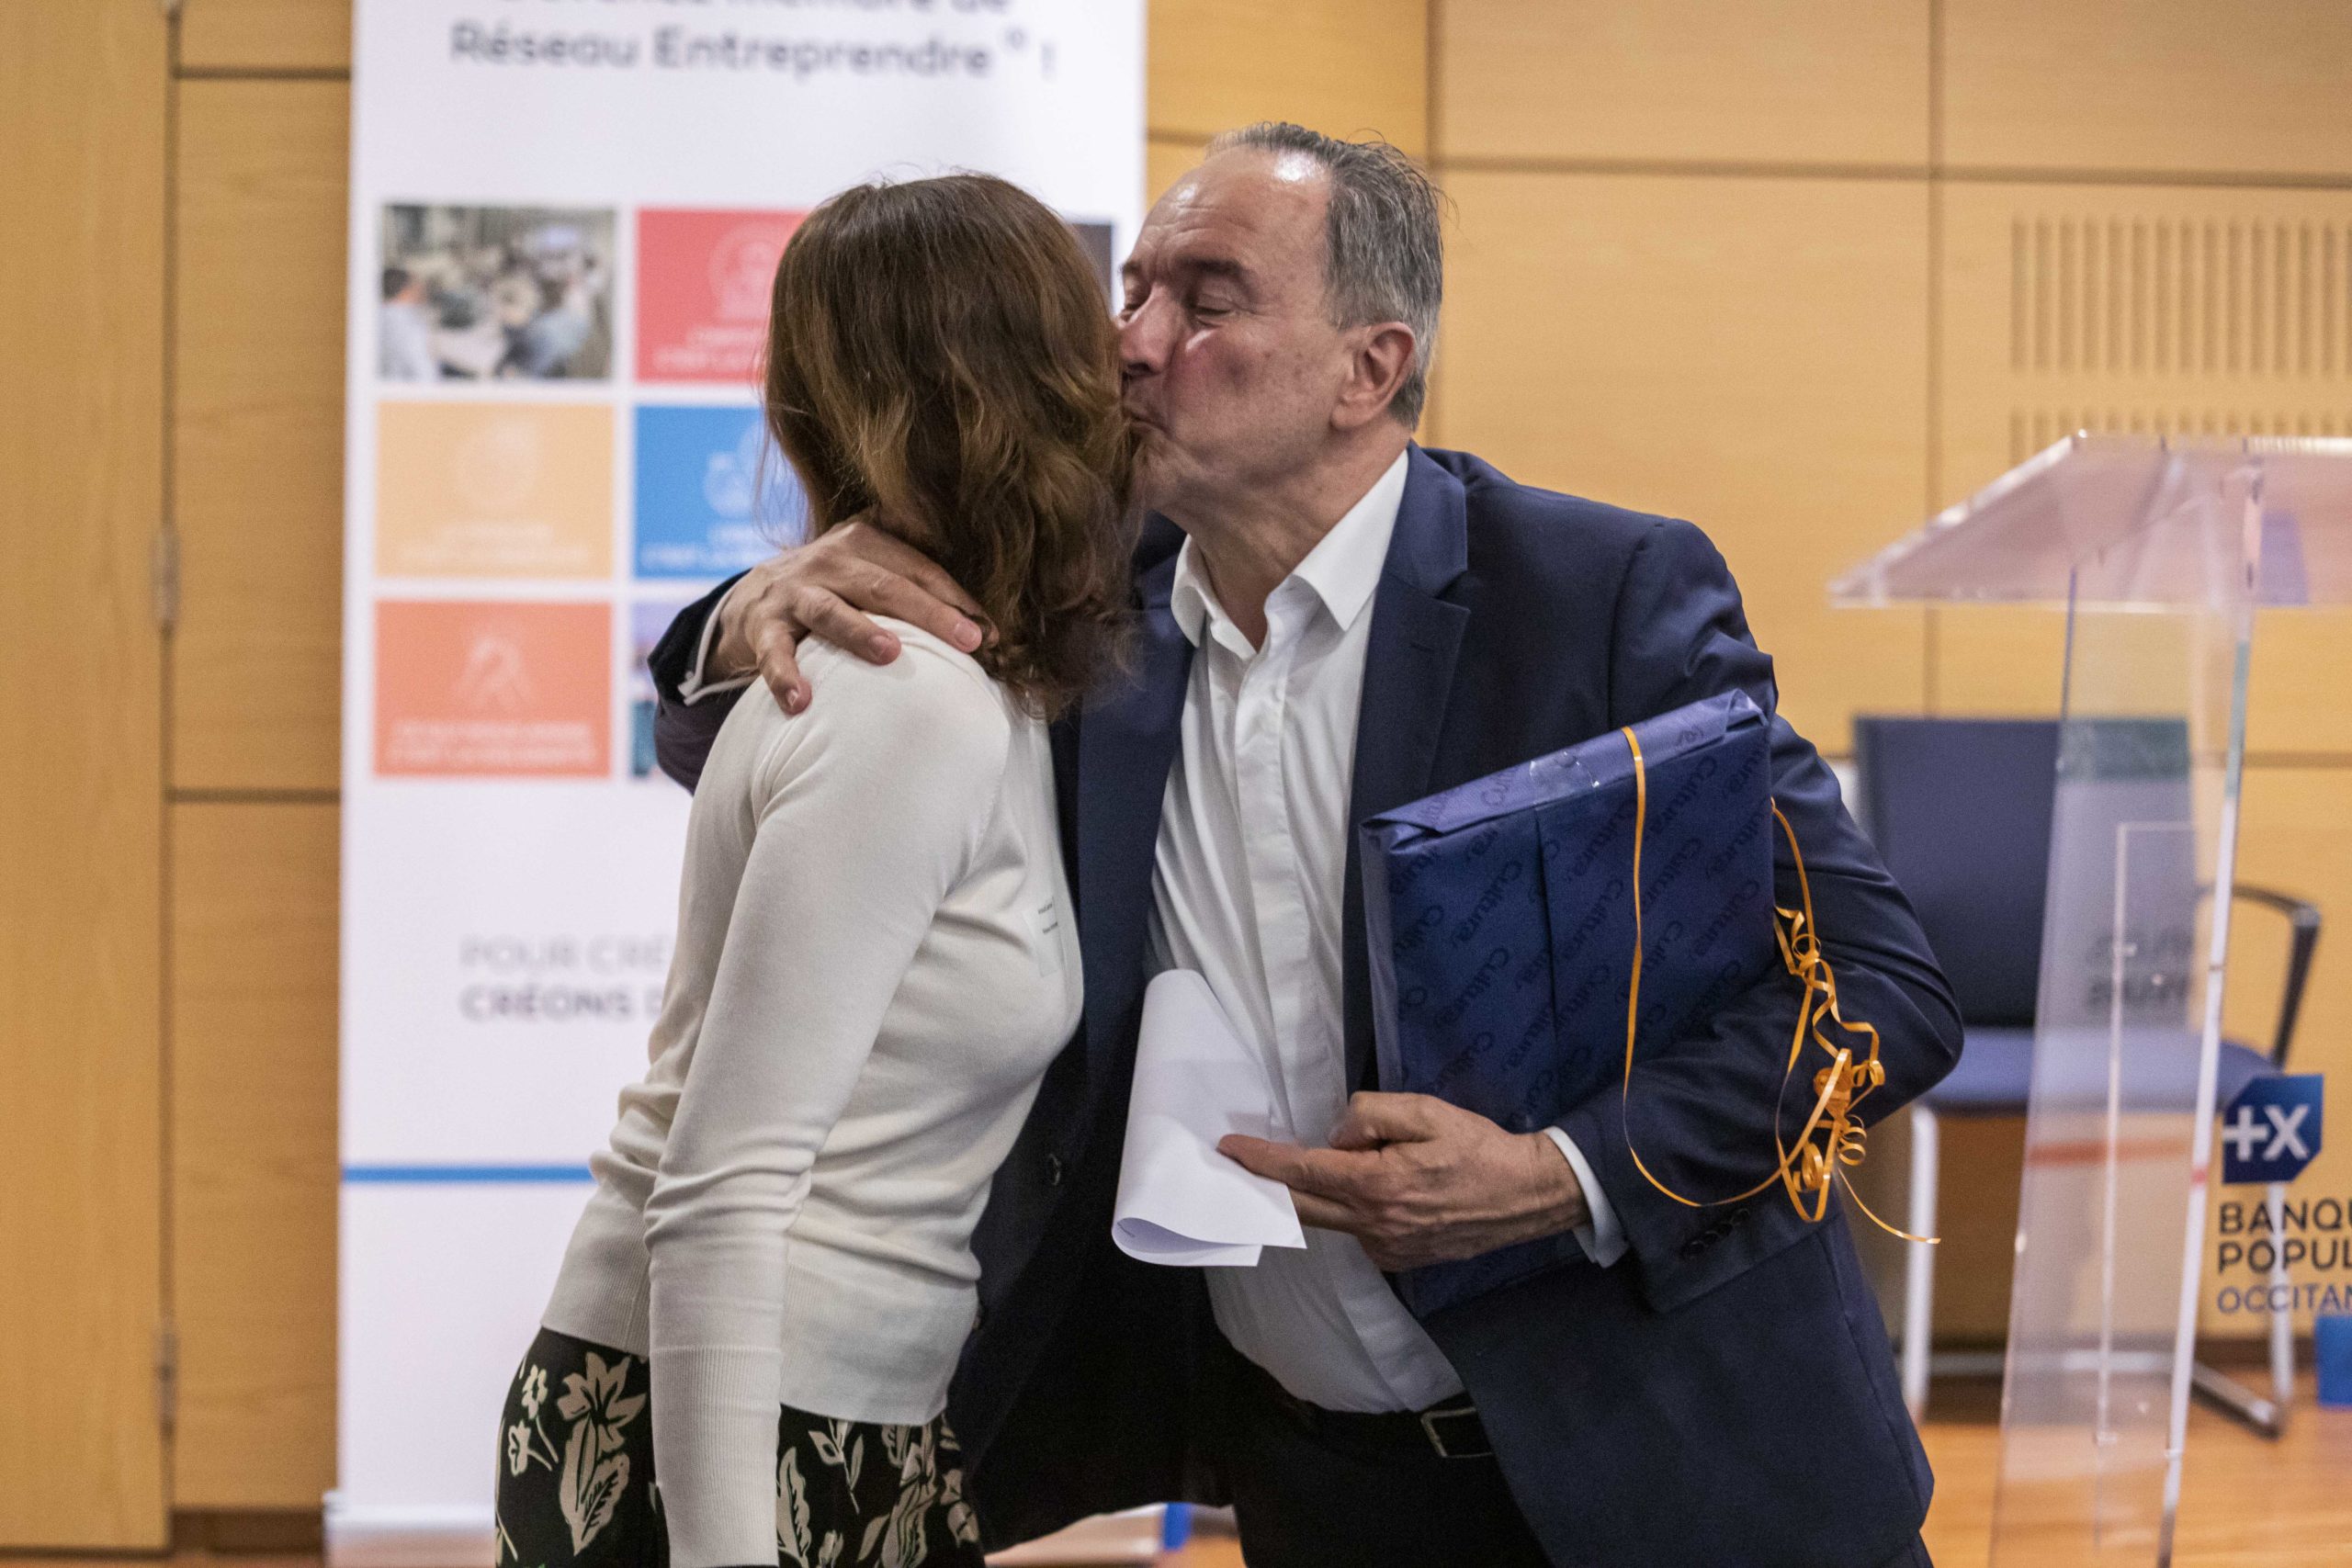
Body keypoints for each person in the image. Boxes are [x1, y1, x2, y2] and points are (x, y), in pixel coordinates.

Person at [650, 125, 1963, 1568]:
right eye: (1132, 294)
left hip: (1677, 1462)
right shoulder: (1080, 606)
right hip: (1317, 1482)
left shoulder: (1594, 595)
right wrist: (748, 613)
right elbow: (740, 743)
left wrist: (1560, 1172)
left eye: (1205, 303)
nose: (1132, 346)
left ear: (1369, 369)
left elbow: (1879, 991)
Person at [495, 174, 1136, 1568]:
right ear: (1030, 383)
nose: (1132, 351)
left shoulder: (981, 668)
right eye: (1107, 317)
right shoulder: (907, 694)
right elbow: (722, 1191)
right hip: (739, 1420)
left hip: (843, 1408)